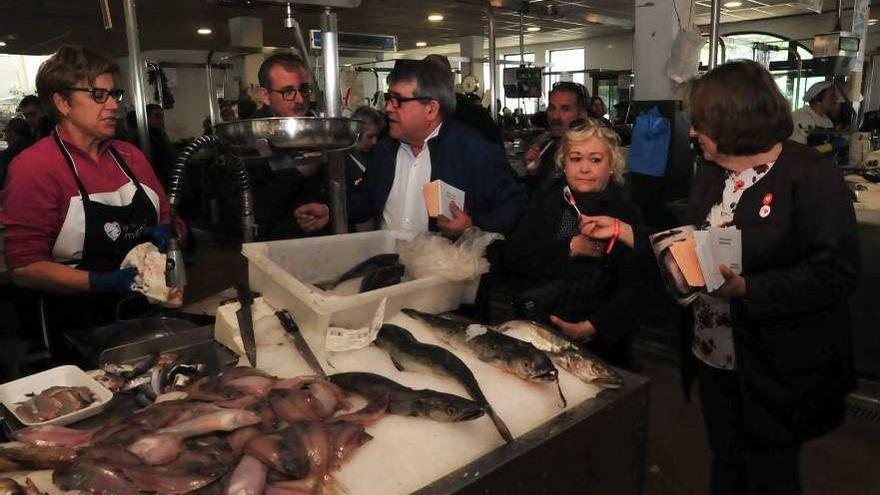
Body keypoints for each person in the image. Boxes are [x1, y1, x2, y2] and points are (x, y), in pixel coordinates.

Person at [584, 60, 860, 494]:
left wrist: (749, 289)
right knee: (726, 463)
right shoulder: (712, 174)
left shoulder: (811, 176)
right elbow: (689, 242)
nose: (692, 133)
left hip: (777, 366)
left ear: (734, 120)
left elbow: (836, 274)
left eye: (701, 123)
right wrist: (626, 233)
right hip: (714, 355)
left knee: (771, 474)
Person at [0, 45, 181, 351]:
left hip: (146, 315)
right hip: (79, 330)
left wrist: (170, 233)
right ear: (62, 102)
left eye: (114, 95)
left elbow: (167, 218)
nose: (113, 105)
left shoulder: (130, 157)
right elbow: (25, 268)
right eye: (99, 95)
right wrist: (100, 281)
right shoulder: (35, 168)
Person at [312, 59, 525, 237]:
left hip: (444, 278)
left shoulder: (473, 151)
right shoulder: (384, 151)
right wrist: (331, 211)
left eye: (398, 101)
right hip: (391, 272)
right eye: (389, 98)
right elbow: (366, 198)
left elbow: (514, 206)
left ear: (431, 109)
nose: (388, 108)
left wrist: (472, 227)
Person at [505, 120, 645, 368]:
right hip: (542, 328)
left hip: (603, 340)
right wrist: (571, 247)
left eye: (595, 160)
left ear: (611, 166)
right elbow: (516, 257)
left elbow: (635, 285)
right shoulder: (547, 201)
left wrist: (594, 326)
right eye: (576, 159)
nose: (584, 168)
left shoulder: (624, 212)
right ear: (564, 164)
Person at [241, 52, 329, 239]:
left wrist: (327, 209)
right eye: (288, 91)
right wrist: (299, 172)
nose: (299, 99)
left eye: (304, 89)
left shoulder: (318, 129)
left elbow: (344, 186)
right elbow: (244, 205)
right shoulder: (247, 138)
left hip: (321, 241)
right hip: (272, 243)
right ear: (265, 95)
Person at [523, 81, 589, 197]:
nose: (555, 116)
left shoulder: (591, 154)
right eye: (552, 108)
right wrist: (533, 173)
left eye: (565, 109)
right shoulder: (546, 149)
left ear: (582, 115)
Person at [424, 54, 504, 145]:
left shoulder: (472, 115)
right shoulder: (415, 112)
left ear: (451, 77)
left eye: (438, 76)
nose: (434, 82)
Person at [345, 106, 385, 231]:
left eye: (377, 137)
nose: (374, 142)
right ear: (355, 133)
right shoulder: (340, 162)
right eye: (370, 136)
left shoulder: (377, 158)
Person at [790, 81, 840, 145]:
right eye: (832, 96)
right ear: (818, 100)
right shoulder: (802, 116)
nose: (836, 99)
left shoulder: (828, 121)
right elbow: (798, 148)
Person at [0, 118, 35, 186]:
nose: (6, 138)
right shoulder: (36, 149)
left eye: (7, 133)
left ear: (12, 133)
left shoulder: (5, 156)